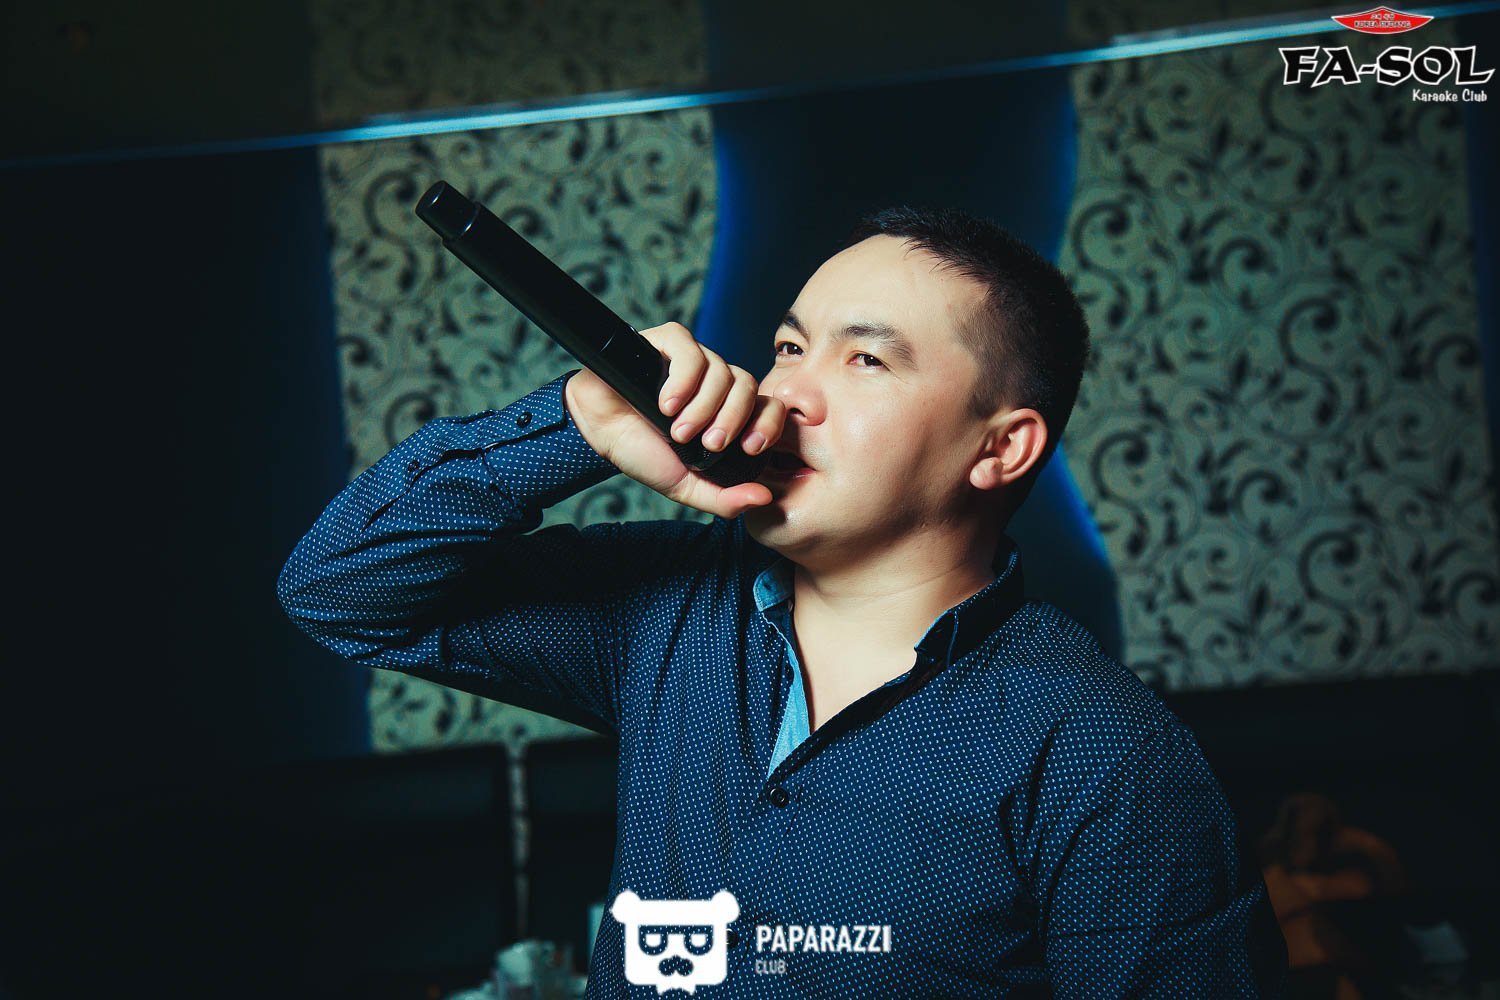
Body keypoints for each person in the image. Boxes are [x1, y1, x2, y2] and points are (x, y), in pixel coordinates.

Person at [278, 206, 1289, 997]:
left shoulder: (1106, 753)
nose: (788, 393)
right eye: (791, 347)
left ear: (1000, 447)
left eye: (865, 358)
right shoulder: (669, 612)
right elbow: (339, 591)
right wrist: (578, 423)